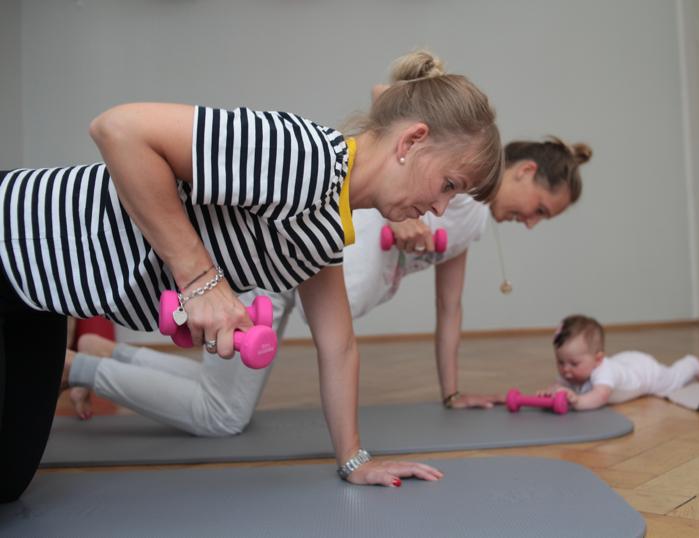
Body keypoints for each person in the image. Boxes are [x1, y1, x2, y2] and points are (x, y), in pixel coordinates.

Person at [0, 50, 504, 502]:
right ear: (413, 140)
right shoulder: (303, 157)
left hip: (42, 300)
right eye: (448, 185)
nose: (439, 209)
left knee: (9, 481)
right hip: (13, 240)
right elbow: (118, 128)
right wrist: (200, 279)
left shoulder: (328, 227)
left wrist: (355, 461)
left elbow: (339, 346)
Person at [65, 134, 592, 436]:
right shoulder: (461, 183)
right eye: (540, 211)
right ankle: (75, 367)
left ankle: (104, 352)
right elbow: (393, 99)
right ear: (524, 171)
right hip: (273, 265)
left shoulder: (471, 221)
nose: (530, 224)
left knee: (221, 399)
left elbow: (449, 310)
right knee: (221, 415)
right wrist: (405, 218)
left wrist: (451, 393)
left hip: (299, 283)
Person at [540, 314, 699, 410]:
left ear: (598, 359)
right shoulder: (571, 371)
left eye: (573, 364)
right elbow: (559, 385)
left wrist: (578, 401)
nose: (565, 370)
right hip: (625, 362)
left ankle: (693, 363)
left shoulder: (604, 372)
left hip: (646, 372)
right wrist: (550, 393)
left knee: (673, 380)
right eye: (560, 362)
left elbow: (601, 396)